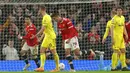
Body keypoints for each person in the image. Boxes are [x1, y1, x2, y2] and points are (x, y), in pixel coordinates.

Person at [33, 5, 59, 72]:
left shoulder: (46, 17)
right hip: (47, 36)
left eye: (39, 10)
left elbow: (43, 29)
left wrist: (35, 35)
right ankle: (41, 67)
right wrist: (40, 38)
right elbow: (45, 31)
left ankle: (57, 68)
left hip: (50, 36)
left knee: (54, 52)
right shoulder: (45, 17)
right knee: (42, 50)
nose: (38, 11)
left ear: (42, 10)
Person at [111, 6, 129, 71]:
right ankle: (113, 67)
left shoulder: (123, 18)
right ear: (116, 11)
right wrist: (112, 38)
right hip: (116, 38)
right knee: (116, 52)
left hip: (121, 38)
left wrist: (126, 34)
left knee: (123, 51)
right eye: (118, 10)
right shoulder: (114, 19)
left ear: (122, 11)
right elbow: (112, 29)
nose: (119, 11)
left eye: (120, 10)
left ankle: (123, 66)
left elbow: (123, 27)